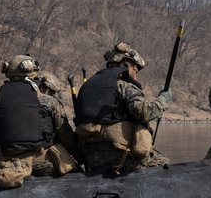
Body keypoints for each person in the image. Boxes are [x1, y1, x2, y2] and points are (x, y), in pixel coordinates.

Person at [0, 56, 83, 188]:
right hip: (43, 165)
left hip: (8, 168)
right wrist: (81, 158)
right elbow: (66, 136)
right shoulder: (48, 102)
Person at [73, 42, 171, 173]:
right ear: (126, 65)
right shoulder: (124, 86)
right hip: (121, 156)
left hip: (91, 158)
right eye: (135, 70)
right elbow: (144, 113)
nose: (135, 76)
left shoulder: (86, 87)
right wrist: (164, 98)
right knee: (162, 160)